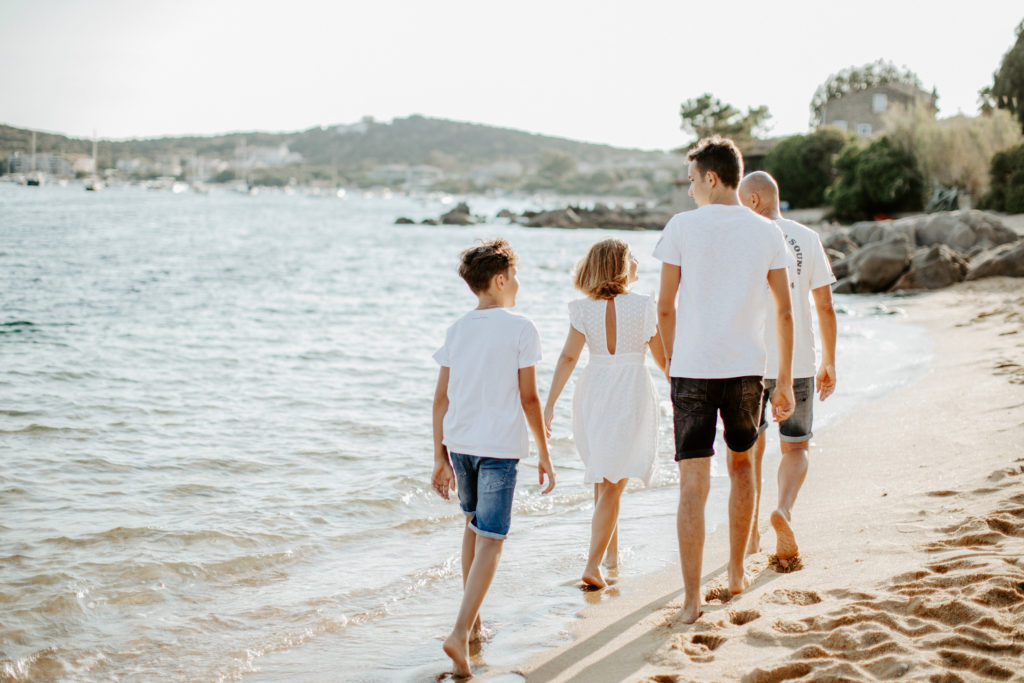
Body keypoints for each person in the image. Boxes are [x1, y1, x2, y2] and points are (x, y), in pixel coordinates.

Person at [653, 136, 796, 625]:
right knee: (742, 470)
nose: (690, 191)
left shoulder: (680, 228)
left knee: (692, 485)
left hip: (692, 370)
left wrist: (671, 360)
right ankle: (735, 574)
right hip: (745, 371)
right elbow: (784, 310)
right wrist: (783, 381)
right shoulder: (766, 232)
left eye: (693, 181)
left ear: (711, 178)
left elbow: (666, 306)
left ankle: (692, 600)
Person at [430, 239, 556, 677]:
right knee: (492, 539)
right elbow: (529, 398)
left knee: (472, 525)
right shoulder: (522, 327)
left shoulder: (458, 329)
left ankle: (475, 623)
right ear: (500, 280)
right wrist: (544, 452)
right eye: (515, 276)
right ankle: (460, 632)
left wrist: (438, 457)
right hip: (499, 449)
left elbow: (440, 400)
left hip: (460, 445)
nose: (518, 284)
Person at [543, 239, 667, 589]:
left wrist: (550, 402)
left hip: (593, 390)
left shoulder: (584, 310)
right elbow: (662, 359)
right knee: (613, 482)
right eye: (633, 259)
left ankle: (612, 558)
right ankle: (593, 564)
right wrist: (682, 389)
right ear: (620, 266)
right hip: (630, 389)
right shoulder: (644, 306)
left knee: (605, 479)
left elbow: (568, 358)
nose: (638, 263)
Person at [738, 171, 837, 566]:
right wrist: (829, 359)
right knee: (796, 446)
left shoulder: (743, 239)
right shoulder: (808, 238)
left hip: (747, 361)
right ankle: (783, 510)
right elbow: (825, 306)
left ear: (756, 201)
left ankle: (749, 537)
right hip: (796, 361)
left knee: (750, 450)